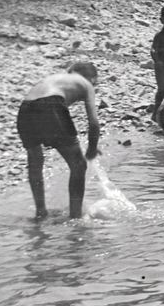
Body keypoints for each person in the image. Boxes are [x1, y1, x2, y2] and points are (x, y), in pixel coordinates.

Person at [17, 61, 102, 220]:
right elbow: (94, 123)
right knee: (79, 165)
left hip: (25, 108)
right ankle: (75, 218)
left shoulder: (55, 78)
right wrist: (91, 148)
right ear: (91, 78)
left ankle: (40, 211)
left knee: (35, 161)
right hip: (51, 106)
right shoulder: (86, 84)